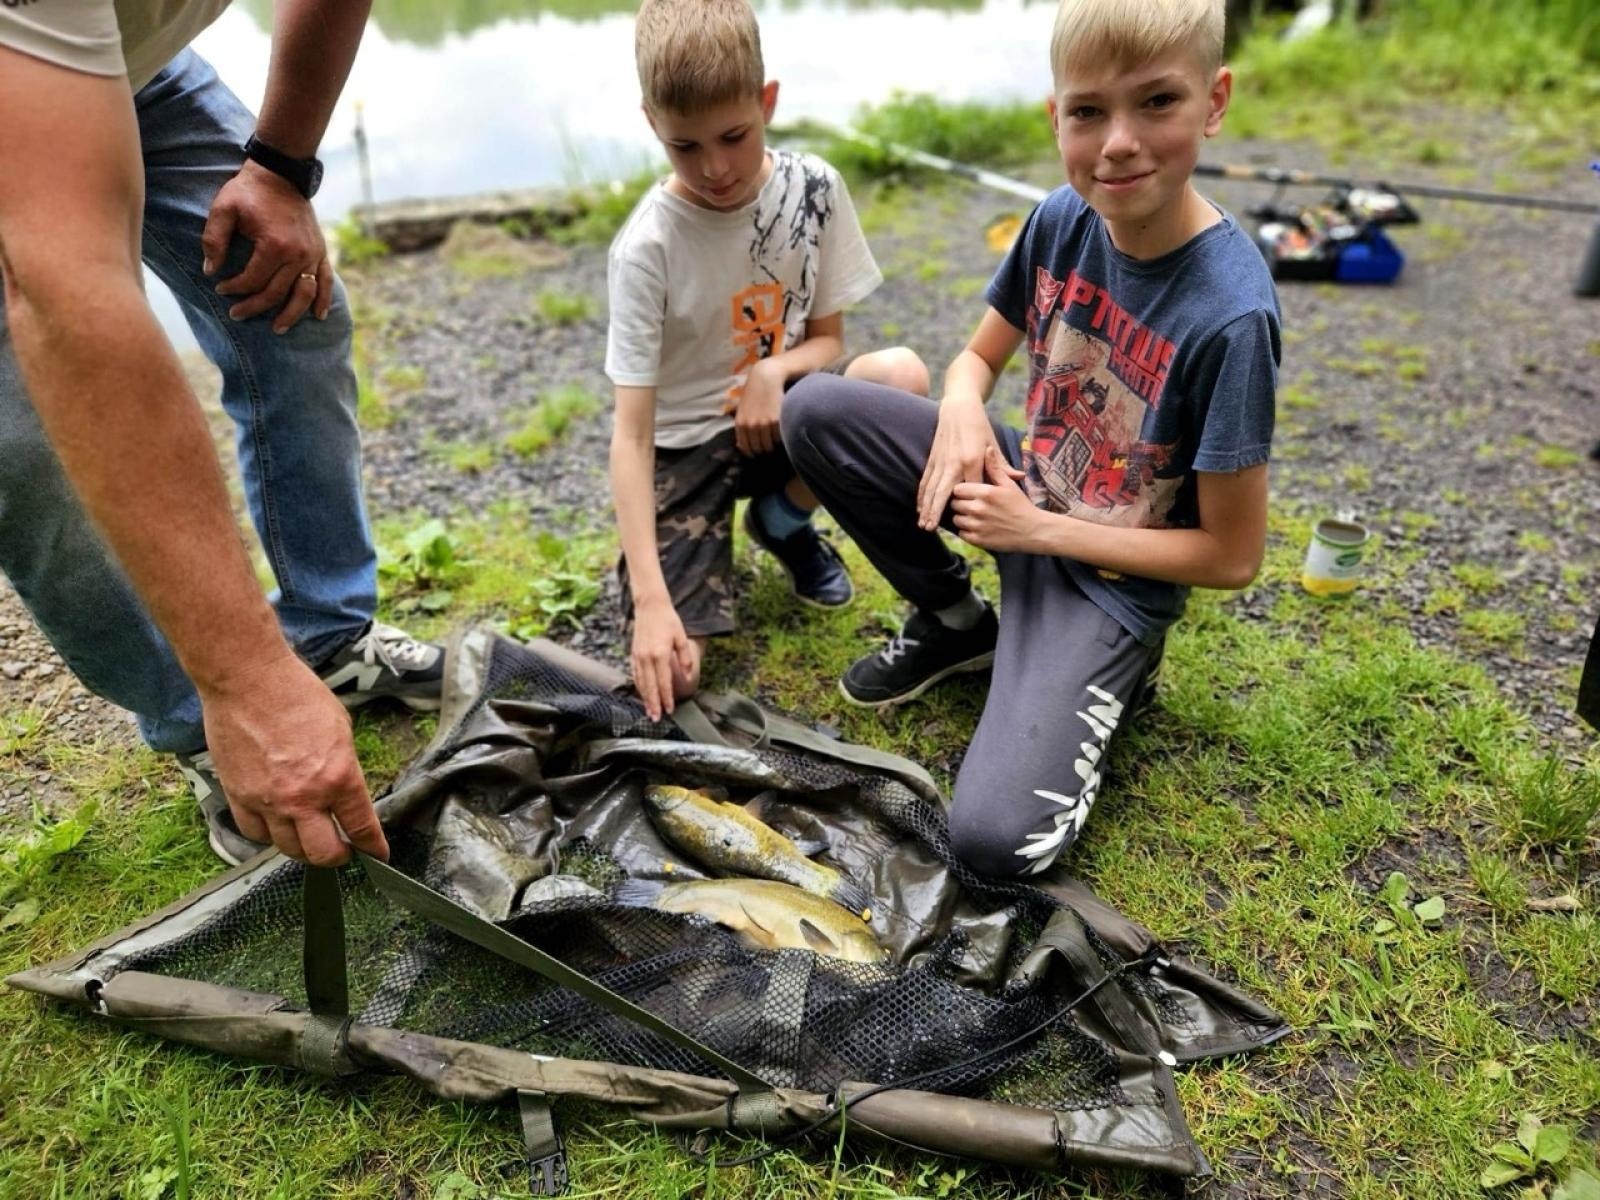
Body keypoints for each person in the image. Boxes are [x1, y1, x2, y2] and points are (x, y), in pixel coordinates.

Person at [783, 0, 1279, 877]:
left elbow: (1232, 556)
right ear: (1057, 117)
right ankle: (956, 623)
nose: (1118, 142)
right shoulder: (1061, 217)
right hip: (1026, 482)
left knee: (993, 845)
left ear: (1215, 99)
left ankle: (1113, 671)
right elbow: (976, 360)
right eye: (1089, 111)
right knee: (816, 411)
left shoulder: (1232, 315)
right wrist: (966, 407)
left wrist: (1036, 532)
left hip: (1114, 570)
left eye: (1157, 102)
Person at [0, 1, 441, 868]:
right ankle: (204, 723)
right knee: (26, 448)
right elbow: (70, 303)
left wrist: (278, 168)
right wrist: (245, 683)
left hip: (123, 61)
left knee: (289, 297)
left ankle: (329, 635)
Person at [606, 0, 929, 722]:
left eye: (734, 135)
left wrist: (771, 371)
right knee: (678, 676)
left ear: (767, 102)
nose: (714, 168)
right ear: (652, 123)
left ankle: (782, 522)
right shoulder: (645, 250)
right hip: (683, 450)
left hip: (780, 414)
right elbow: (629, 436)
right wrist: (653, 606)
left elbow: (829, 342)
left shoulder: (814, 191)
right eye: (684, 147)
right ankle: (658, 571)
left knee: (901, 377)